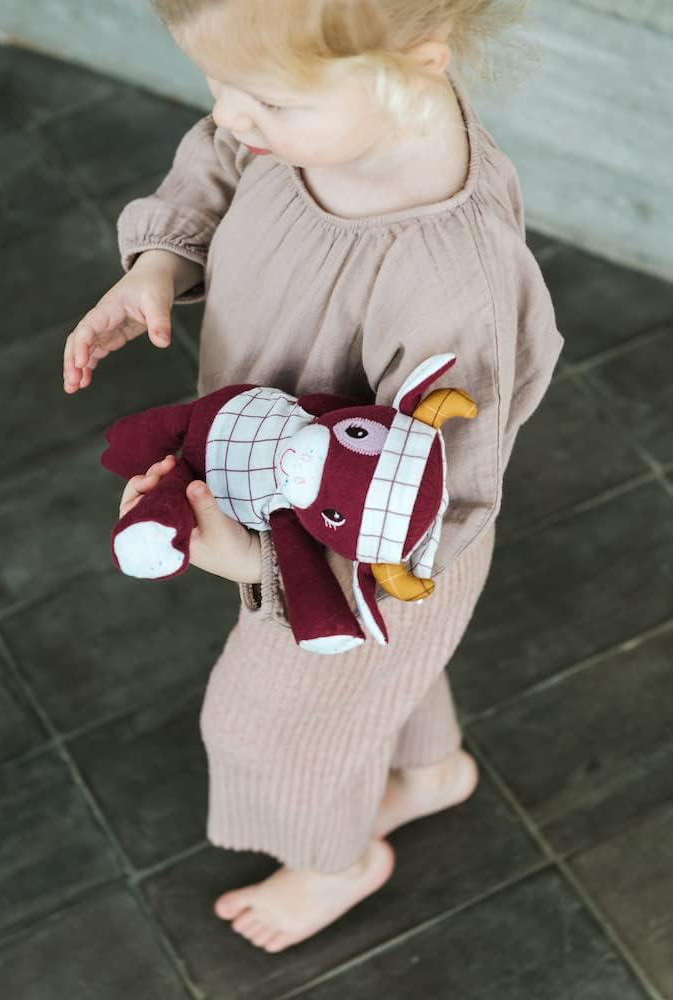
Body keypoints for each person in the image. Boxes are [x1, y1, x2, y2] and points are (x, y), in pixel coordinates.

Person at [62, 0, 563, 954]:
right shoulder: (319, 114)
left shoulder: (447, 285)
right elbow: (223, 150)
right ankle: (430, 772)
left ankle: (336, 862)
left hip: (368, 562)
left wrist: (263, 563)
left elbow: (431, 504)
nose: (230, 114)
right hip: (283, 488)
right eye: (218, 82)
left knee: (272, 727)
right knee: (375, 689)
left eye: (265, 99)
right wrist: (162, 260)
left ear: (416, 65)